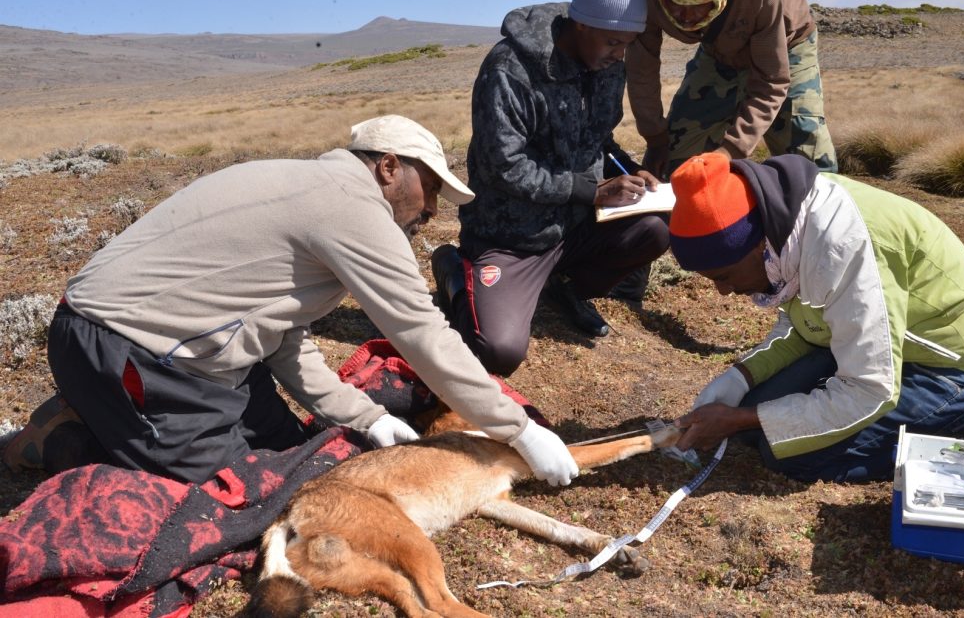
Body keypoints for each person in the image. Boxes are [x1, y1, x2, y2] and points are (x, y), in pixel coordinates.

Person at [4, 115, 579, 487]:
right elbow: (422, 332)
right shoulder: (353, 207)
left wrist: (370, 418)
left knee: (293, 451)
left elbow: (284, 340)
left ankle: (103, 412)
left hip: (168, 347)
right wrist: (518, 430)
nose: (431, 209)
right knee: (241, 489)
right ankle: (69, 439)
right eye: (429, 188)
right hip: (129, 350)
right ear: (387, 167)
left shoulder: (307, 184)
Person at [667, 152, 964, 482]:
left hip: (951, 369)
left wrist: (741, 419)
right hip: (867, 344)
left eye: (724, 276)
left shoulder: (842, 248)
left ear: (759, 245)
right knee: (755, 420)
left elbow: (869, 388)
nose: (723, 291)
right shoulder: (784, 229)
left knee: (790, 455)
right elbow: (804, 328)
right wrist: (740, 378)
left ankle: (952, 423)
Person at [432, 0, 671, 376]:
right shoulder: (510, 68)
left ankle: (565, 284)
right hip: (511, 237)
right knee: (499, 351)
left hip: (575, 225)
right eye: (612, 42)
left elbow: (599, 139)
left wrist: (627, 170)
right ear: (581, 24)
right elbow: (504, 166)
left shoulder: (607, 66)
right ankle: (453, 271)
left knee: (653, 231)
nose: (619, 55)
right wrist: (590, 191)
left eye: (627, 45)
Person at [626, 0, 837, 179]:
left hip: (787, 45)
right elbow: (641, 69)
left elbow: (771, 81)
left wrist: (729, 151)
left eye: (696, 3)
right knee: (673, 159)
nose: (685, 16)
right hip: (719, 51)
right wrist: (654, 138)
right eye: (674, 3)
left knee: (809, 165)